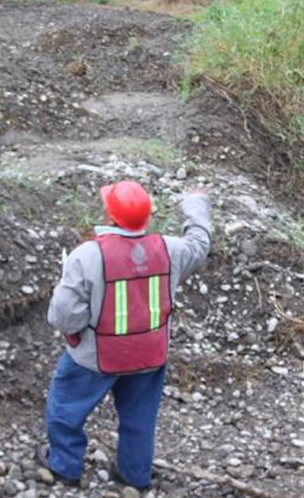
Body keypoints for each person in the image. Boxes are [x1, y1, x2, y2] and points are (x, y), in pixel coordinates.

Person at [40, 181, 212, 490]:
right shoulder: (170, 250)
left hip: (95, 358)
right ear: (148, 216)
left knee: (65, 409)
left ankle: (65, 467)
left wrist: (81, 324)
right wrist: (196, 203)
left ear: (110, 215)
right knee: (139, 419)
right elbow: (200, 244)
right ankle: (135, 476)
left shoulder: (87, 256)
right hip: (149, 356)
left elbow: (62, 317)